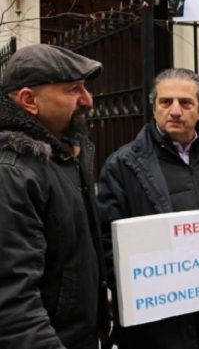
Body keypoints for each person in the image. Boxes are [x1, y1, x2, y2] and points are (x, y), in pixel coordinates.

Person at [97, 68, 199, 349]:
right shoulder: (122, 165)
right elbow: (107, 243)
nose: (175, 111)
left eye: (186, 103)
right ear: (154, 108)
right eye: (166, 102)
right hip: (159, 324)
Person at [0, 44, 108, 348]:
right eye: (73, 89)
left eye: (85, 87)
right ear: (28, 100)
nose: (88, 99)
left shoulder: (65, 156)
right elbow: (13, 304)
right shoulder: (12, 172)